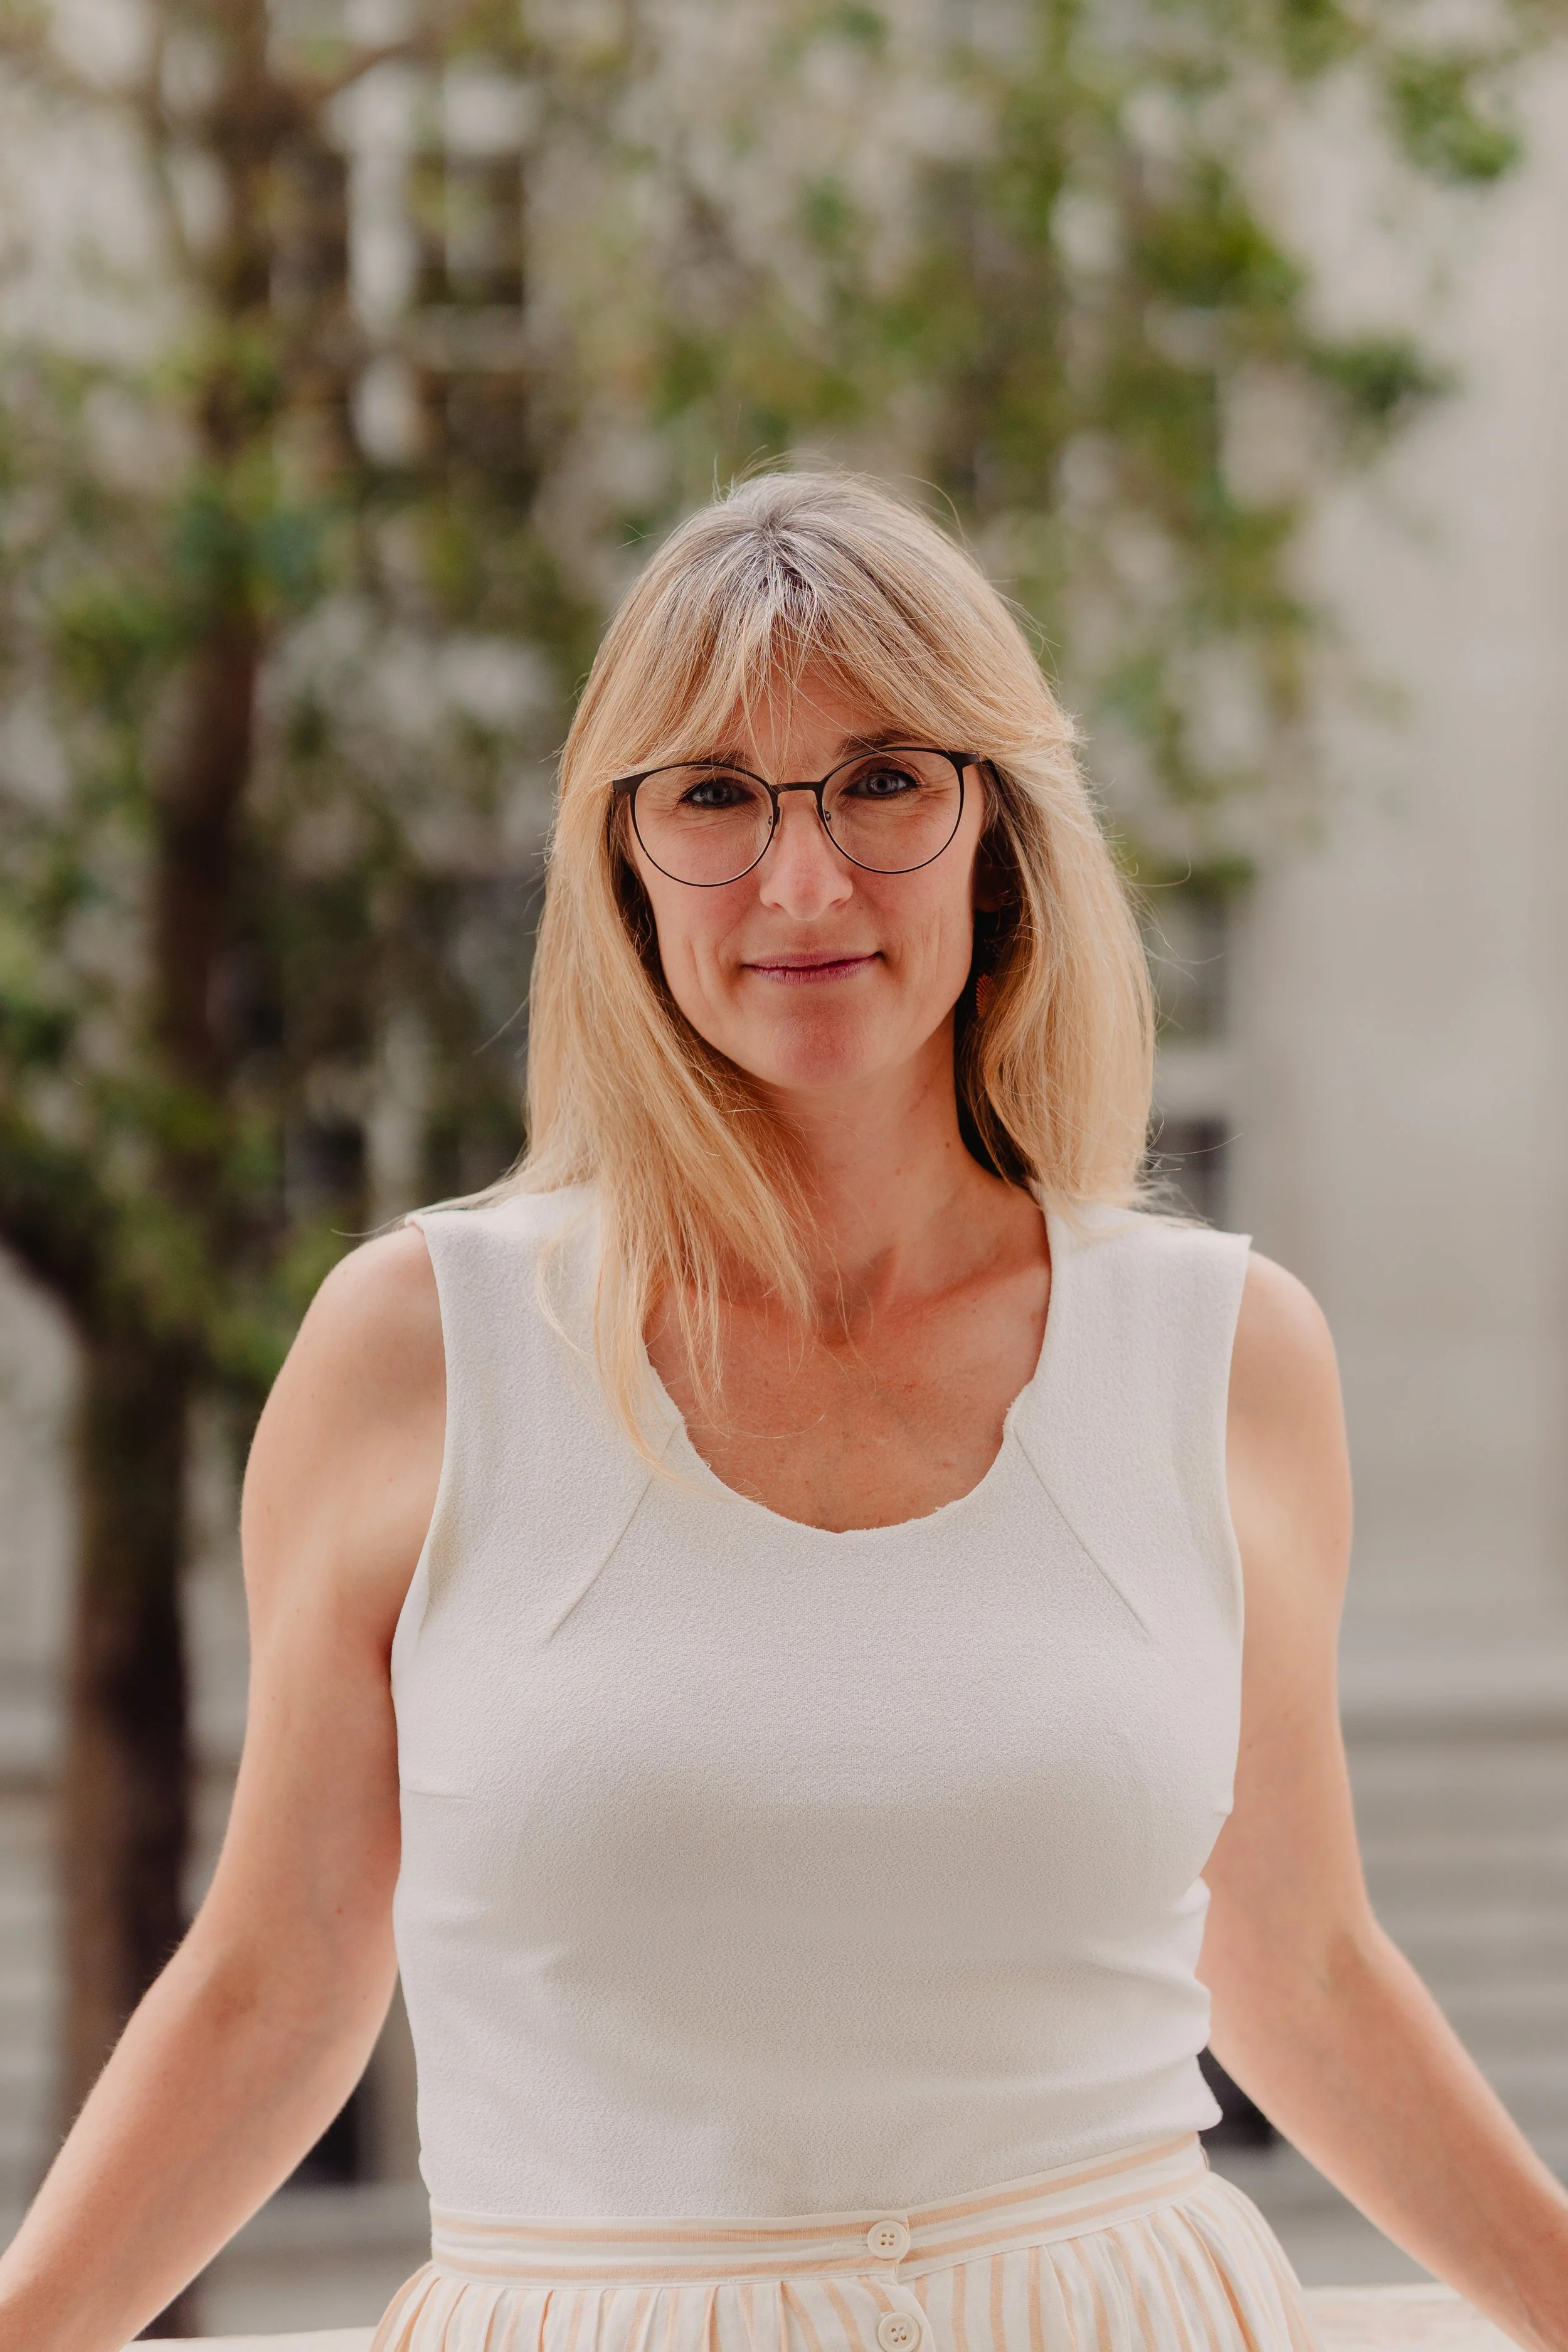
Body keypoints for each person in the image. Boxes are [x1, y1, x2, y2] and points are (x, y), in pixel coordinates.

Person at [1, 472, 1565, 2352]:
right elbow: (281, 1972)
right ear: (622, 853)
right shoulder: (418, 1345)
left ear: (994, 833)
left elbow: (1298, 1960)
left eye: (885, 780)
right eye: (717, 795)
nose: (802, 882)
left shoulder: (1222, 1352)